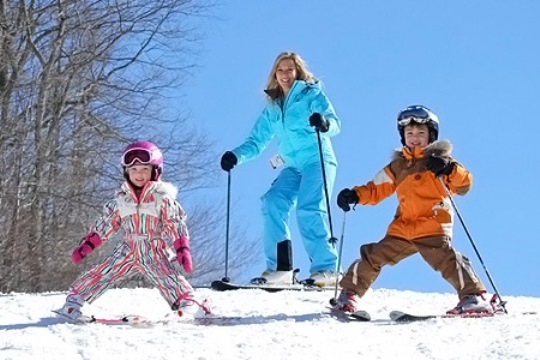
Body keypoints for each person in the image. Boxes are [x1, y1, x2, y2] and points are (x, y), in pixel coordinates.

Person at [334, 105, 495, 315]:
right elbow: (375, 188)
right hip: (403, 227)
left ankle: (474, 296)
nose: (415, 137)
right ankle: (349, 294)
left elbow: (464, 185)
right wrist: (355, 195)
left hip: (432, 223)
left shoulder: (439, 161)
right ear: (403, 137)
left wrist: (449, 169)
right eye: (409, 133)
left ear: (431, 135)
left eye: (421, 133)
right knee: (373, 255)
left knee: (445, 259)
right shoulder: (398, 166)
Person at [220, 51, 341, 287]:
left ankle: (327, 268)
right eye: (280, 70)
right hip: (293, 166)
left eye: (290, 70)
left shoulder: (311, 94)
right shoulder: (273, 108)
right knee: (272, 202)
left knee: (309, 207)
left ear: (298, 72)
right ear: (274, 75)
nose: (285, 74)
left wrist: (324, 124)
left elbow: (334, 122)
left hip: (318, 160)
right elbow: (256, 142)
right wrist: (235, 156)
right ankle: (281, 268)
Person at [55, 141, 210, 320]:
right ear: (126, 172)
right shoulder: (121, 201)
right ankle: (74, 301)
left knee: (166, 276)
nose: (139, 174)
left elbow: (174, 223)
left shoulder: (162, 199)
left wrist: (182, 248)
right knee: (105, 271)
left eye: (144, 169)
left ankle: (188, 303)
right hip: (128, 248)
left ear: (155, 171)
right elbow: (106, 224)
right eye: (134, 170)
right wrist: (88, 245)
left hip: (153, 250)